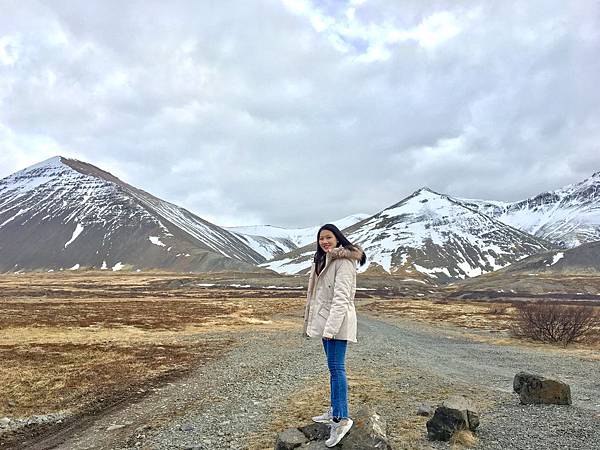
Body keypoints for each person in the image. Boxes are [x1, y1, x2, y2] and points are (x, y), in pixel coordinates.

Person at [303, 223, 367, 447]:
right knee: (333, 369)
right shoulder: (322, 260)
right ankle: (334, 409)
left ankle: (341, 418)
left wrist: (330, 329)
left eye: (329, 237)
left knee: (337, 369)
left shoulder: (344, 263)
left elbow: (341, 299)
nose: (325, 241)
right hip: (326, 323)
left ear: (338, 239)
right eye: (321, 238)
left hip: (336, 325)